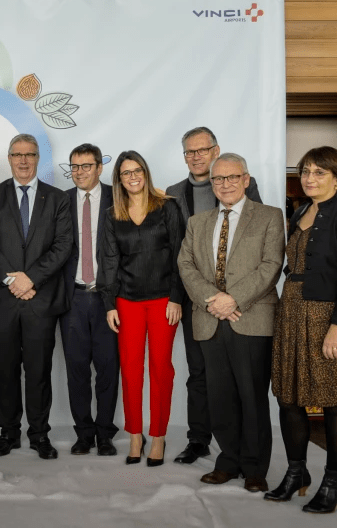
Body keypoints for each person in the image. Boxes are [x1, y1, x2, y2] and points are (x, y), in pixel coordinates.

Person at [266, 147, 337, 513]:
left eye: (319, 172)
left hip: (332, 316)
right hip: (293, 314)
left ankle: (333, 481)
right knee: (288, 397)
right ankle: (296, 473)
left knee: (336, 401)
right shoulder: (300, 212)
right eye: (305, 171)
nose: (309, 179)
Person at [177, 153, 285, 493]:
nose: (225, 184)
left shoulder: (269, 216)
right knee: (220, 396)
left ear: (246, 179)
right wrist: (213, 299)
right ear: (211, 183)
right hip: (210, 319)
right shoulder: (198, 222)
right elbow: (186, 265)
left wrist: (233, 299)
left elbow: (271, 265)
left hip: (251, 318)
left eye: (232, 177)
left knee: (252, 397)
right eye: (218, 179)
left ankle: (254, 468)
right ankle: (228, 461)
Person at [166, 126, 262, 465]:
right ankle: (198, 440)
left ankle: (242, 446)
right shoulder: (173, 193)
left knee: (238, 376)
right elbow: (176, 252)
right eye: (189, 152)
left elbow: (255, 242)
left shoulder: (241, 184)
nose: (196, 157)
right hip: (196, 298)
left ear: (216, 151)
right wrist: (182, 295)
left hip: (239, 302)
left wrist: (234, 297)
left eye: (202, 150)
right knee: (199, 373)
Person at [0, 133, 73, 460]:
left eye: (29, 154)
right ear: (9, 158)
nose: (23, 160)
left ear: (38, 159)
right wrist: (12, 279)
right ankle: (8, 432)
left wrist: (30, 278)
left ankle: (39, 434)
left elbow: (63, 245)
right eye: (17, 154)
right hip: (3, 302)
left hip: (40, 299)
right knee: (4, 372)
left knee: (38, 372)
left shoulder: (57, 198)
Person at [101, 150, 184, 467]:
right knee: (131, 370)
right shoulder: (113, 214)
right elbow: (110, 260)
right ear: (119, 179)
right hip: (127, 301)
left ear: (146, 173)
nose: (133, 176)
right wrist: (110, 303)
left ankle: (158, 435)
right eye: (126, 172)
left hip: (164, 301)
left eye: (137, 170)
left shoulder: (167, 207)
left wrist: (177, 296)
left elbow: (179, 254)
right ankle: (135, 435)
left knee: (161, 370)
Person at [59, 143, 119, 456]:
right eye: (75, 166)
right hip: (73, 298)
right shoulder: (61, 201)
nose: (80, 172)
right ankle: (84, 434)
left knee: (108, 368)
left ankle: (105, 433)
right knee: (77, 370)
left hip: (107, 299)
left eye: (86, 166)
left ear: (99, 167)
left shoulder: (117, 197)